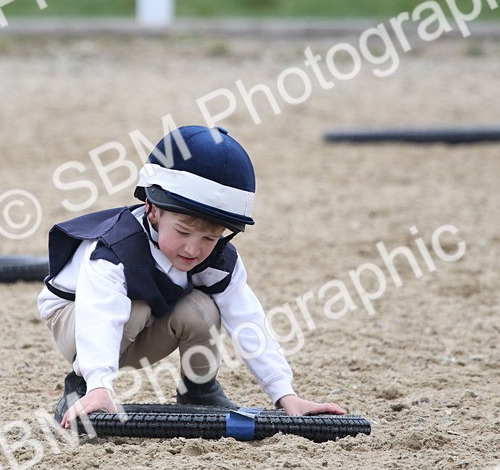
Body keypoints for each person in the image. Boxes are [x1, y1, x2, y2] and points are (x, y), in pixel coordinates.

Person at [38, 125, 345, 429]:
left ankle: (199, 390)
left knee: (203, 308)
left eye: (209, 238)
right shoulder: (112, 251)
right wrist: (99, 383)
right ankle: (80, 388)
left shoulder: (219, 260)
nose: (193, 249)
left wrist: (285, 394)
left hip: (139, 327)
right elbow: (99, 315)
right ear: (152, 210)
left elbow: (248, 320)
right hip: (77, 323)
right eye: (183, 232)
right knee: (136, 307)